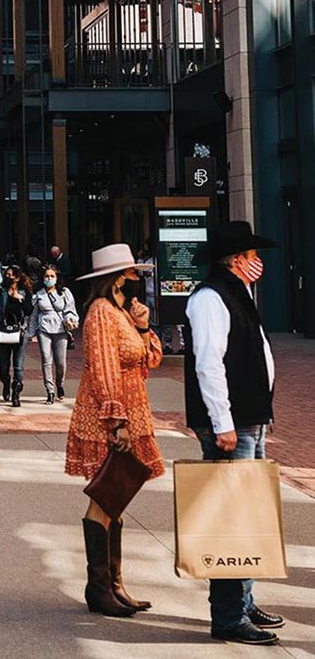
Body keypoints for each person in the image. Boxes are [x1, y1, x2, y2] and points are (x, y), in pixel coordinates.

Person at [184, 221, 283, 646]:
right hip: (234, 424)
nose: (259, 262)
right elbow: (209, 362)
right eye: (252, 256)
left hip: (250, 420)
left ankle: (243, 600)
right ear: (237, 259)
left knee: (249, 516)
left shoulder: (237, 293)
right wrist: (222, 422)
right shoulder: (210, 298)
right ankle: (227, 615)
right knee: (231, 521)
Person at [66, 243, 163, 617]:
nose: (138, 279)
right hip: (110, 415)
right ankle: (99, 587)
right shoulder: (101, 313)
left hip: (132, 408)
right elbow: (104, 369)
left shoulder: (122, 312)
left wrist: (143, 325)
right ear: (119, 277)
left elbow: (150, 357)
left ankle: (115, 585)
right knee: (105, 497)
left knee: (117, 498)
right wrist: (116, 421)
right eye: (133, 273)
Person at [28, 265, 79, 403]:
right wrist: (30, 332)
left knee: (60, 362)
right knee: (46, 359)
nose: (49, 279)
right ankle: (49, 391)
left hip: (60, 329)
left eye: (52, 276)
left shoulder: (64, 293)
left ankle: (60, 384)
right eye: (47, 276)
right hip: (43, 328)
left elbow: (71, 309)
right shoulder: (38, 294)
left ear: (57, 278)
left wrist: (71, 320)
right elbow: (33, 315)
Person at [0, 265, 33, 406]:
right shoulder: (0, 293)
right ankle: (6, 382)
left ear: (17, 278)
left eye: (11, 275)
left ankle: (16, 392)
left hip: (19, 333)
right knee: (3, 366)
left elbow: (30, 311)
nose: (8, 277)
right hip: (2, 332)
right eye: (6, 274)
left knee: (18, 366)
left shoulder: (25, 293)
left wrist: (20, 299)